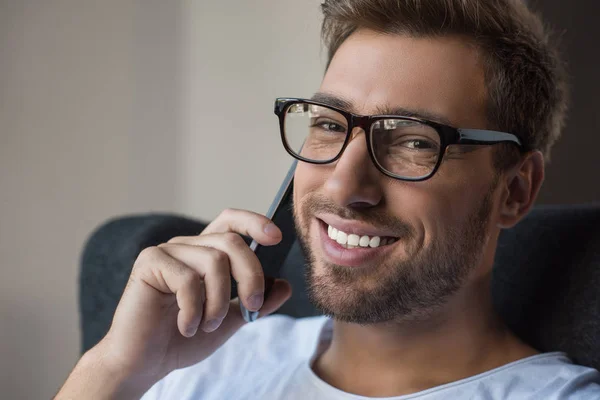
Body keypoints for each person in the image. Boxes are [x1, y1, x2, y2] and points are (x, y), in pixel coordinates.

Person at [56, 0, 600, 399]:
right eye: (328, 124)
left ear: (515, 190)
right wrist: (114, 369)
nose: (341, 186)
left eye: (414, 140)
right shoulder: (197, 368)